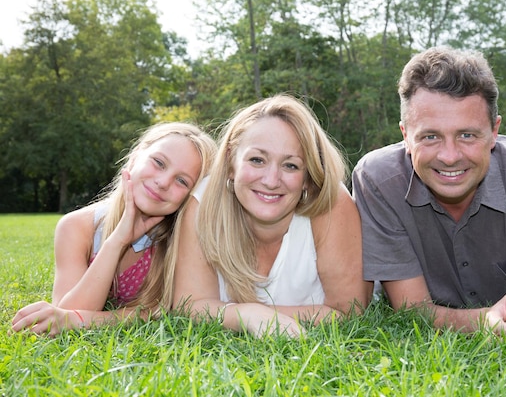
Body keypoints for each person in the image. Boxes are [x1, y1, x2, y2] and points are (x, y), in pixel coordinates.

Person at [352, 46, 506, 339]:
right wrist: (486, 321)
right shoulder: (378, 179)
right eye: (430, 136)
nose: (450, 156)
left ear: (494, 131)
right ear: (405, 135)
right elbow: (412, 309)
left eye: (467, 135)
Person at [172, 94, 370, 337]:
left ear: (308, 177)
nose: (271, 180)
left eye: (290, 165)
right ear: (231, 162)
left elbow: (349, 311)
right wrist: (249, 315)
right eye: (257, 160)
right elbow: (189, 305)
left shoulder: (330, 202)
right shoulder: (204, 202)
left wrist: (242, 313)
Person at [11, 122, 217, 335]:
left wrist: (81, 320)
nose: (163, 182)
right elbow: (65, 312)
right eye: (158, 163)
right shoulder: (76, 226)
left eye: (182, 181)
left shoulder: (180, 239)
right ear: (136, 155)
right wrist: (118, 240)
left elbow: (158, 312)